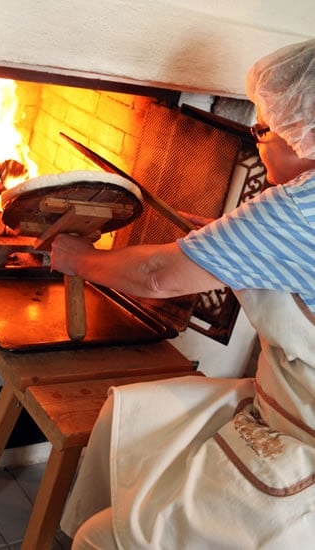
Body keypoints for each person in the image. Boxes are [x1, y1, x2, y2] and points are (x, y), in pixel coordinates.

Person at [50, 38, 315, 549]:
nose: (257, 140)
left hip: (300, 443)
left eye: (261, 128)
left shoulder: (299, 207)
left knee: (100, 539)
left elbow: (157, 276)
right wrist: (230, 239)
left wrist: (78, 258)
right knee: (135, 418)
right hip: (291, 407)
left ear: (303, 133)